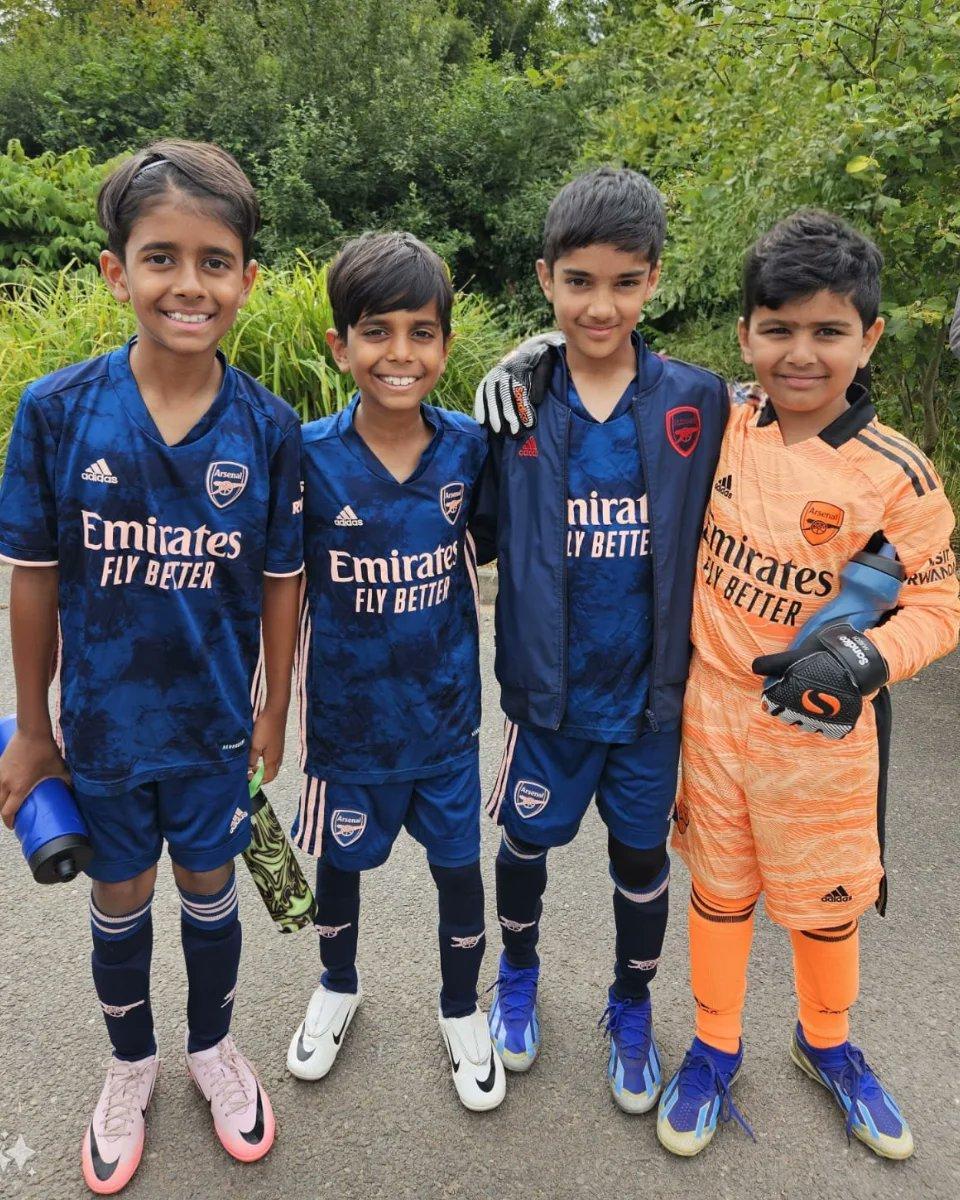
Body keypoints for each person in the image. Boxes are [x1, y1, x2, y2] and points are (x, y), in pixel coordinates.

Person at [0, 140, 303, 1192]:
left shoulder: (268, 427)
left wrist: (275, 709)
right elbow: (32, 577)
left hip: (216, 731)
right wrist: (33, 728)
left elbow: (281, 582)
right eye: (160, 257)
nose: (188, 284)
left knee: (211, 889)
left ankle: (213, 1049)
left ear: (246, 279)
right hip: (103, 732)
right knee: (121, 896)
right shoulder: (55, 412)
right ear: (115, 270)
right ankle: (130, 1064)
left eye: (214, 262)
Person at [658, 210, 959, 1160]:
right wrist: (535, 356)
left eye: (828, 331)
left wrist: (867, 660)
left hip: (821, 737)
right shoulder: (720, 423)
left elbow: (940, 604)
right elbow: (620, 376)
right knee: (719, 892)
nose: (800, 353)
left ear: (869, 338)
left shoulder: (898, 473)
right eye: (778, 328)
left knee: (826, 905)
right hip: (712, 716)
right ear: (745, 334)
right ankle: (714, 1046)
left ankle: (827, 1043)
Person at [470, 167, 729, 1112]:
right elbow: (468, 525)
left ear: (654, 279)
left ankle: (630, 1003)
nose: (600, 306)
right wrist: (512, 360)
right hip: (548, 700)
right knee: (525, 844)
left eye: (624, 282)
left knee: (641, 862)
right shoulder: (516, 407)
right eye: (578, 282)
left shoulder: (701, 401)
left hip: (651, 700)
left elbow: (796, 425)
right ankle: (518, 975)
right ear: (546, 278)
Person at [286, 231, 505, 1112]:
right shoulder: (306, 454)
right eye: (376, 331)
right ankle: (337, 984)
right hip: (347, 727)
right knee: (340, 864)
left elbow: (495, 542)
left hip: (445, 720)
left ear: (446, 344)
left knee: (459, 870)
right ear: (340, 345)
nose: (399, 353)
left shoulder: (470, 449)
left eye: (421, 332)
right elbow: (273, 588)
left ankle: (461, 1007)